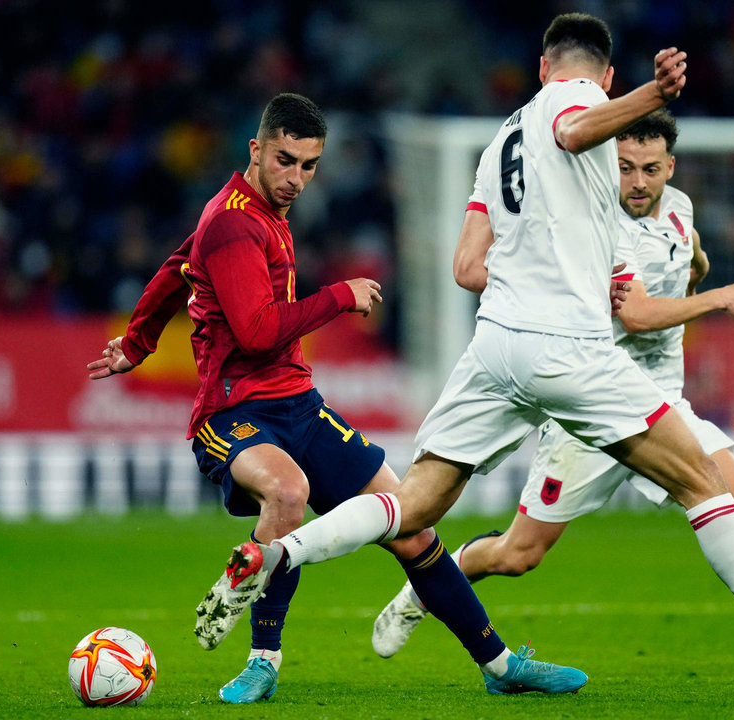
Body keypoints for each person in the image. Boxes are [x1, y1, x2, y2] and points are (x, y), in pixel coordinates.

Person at [197, 14, 734, 691]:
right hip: (570, 347)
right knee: (703, 484)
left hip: (494, 346)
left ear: (541, 66)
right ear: (599, 77)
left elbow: (467, 264)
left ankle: (278, 552)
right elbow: (575, 129)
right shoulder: (580, 102)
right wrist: (652, 93)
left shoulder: (498, 141)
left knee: (415, 505)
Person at [87, 92, 588, 702]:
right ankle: (262, 661)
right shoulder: (232, 223)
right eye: (284, 160)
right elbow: (255, 332)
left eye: (309, 164)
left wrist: (137, 342)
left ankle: (501, 666)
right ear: (256, 149)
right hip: (233, 411)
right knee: (287, 490)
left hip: (300, 404)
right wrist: (338, 297)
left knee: (413, 526)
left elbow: (175, 267)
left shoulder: (253, 213)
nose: (296, 178)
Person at [370, 108, 734, 671]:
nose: (638, 181)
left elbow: (688, 255)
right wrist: (714, 298)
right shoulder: (596, 224)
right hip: (591, 409)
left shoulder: (679, 209)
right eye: (625, 167)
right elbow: (640, 314)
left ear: (669, 166)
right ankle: (422, 590)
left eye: (650, 168)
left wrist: (697, 267)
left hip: (662, 404)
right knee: (518, 554)